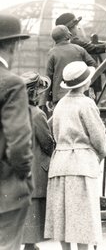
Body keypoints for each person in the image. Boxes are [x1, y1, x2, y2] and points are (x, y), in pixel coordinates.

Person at [44, 61, 106, 250]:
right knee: (83, 218)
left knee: (63, 216)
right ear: (85, 83)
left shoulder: (60, 105)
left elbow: (55, 133)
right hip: (81, 165)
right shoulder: (87, 104)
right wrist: (103, 151)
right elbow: (97, 137)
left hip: (60, 164)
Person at [0, 14, 34, 250]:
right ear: (13, 44)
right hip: (6, 190)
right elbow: (19, 143)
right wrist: (25, 177)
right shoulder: (12, 83)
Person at [20, 72, 55, 250]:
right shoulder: (37, 115)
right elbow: (47, 143)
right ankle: (29, 245)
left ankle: (27, 244)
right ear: (34, 93)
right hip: (34, 171)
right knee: (33, 209)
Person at [45, 25, 98, 111]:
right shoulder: (79, 49)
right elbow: (94, 66)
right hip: (80, 94)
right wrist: (88, 85)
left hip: (59, 97)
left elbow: (48, 76)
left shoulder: (52, 52)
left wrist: (47, 98)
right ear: (68, 35)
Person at [55, 12, 105, 95]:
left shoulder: (57, 46)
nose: (78, 28)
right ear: (70, 29)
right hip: (75, 83)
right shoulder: (74, 42)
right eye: (75, 26)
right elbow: (93, 48)